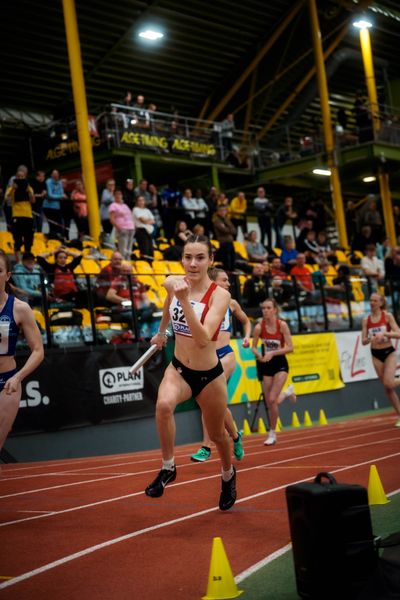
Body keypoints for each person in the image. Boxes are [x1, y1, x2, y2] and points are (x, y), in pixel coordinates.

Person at [145, 235, 237, 511]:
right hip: (179, 368)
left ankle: (227, 474)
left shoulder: (220, 296)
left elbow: (203, 338)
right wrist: (162, 332)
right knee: (162, 405)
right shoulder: (176, 283)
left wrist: (184, 300)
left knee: (218, 435)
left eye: (199, 258)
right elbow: (167, 301)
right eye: (187, 257)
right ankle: (168, 466)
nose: (192, 263)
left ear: (210, 261)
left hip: (209, 375)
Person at [191, 267, 251, 463]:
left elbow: (245, 320)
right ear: (214, 282)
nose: (229, 283)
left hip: (225, 355)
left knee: (209, 399)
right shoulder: (201, 301)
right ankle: (235, 436)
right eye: (225, 280)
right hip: (207, 357)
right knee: (214, 404)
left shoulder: (231, 303)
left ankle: (205, 447)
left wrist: (247, 337)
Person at [0, 250, 44, 453]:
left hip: (7, 382)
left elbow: (37, 350)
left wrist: (18, 377)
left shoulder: (19, 308)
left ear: (8, 275)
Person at [252, 298, 294, 446]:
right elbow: (254, 347)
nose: (265, 311)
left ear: (275, 310)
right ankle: (287, 393)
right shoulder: (259, 327)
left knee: (271, 398)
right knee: (271, 402)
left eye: (269, 308)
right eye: (263, 308)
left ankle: (272, 433)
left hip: (280, 363)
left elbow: (290, 347)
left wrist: (273, 353)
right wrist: (259, 356)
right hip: (266, 365)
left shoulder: (281, 325)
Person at [361, 293, 400, 427]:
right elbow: (363, 341)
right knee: (387, 388)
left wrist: (385, 334)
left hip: (389, 352)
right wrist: (370, 339)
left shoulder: (387, 316)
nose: (372, 303)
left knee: (389, 383)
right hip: (375, 354)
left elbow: (398, 333)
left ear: (381, 303)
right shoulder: (366, 320)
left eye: (374, 301)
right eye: (370, 300)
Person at [5, 168, 35, 263]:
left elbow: (33, 201)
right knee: (17, 241)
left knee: (28, 241)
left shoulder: (29, 188)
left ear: (25, 177)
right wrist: (13, 188)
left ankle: (27, 260)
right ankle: (19, 262)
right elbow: (6, 198)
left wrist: (29, 192)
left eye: (22, 176)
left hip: (28, 216)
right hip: (17, 216)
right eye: (19, 176)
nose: (20, 178)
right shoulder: (11, 188)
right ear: (16, 177)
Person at [108, 189, 135, 260]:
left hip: (131, 228)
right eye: (116, 194)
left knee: (129, 250)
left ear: (122, 195)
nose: (118, 195)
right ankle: (122, 265)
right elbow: (112, 219)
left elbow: (130, 216)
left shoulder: (125, 205)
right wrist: (118, 228)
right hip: (122, 229)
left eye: (120, 194)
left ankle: (128, 265)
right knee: (123, 250)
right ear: (114, 195)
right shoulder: (113, 205)